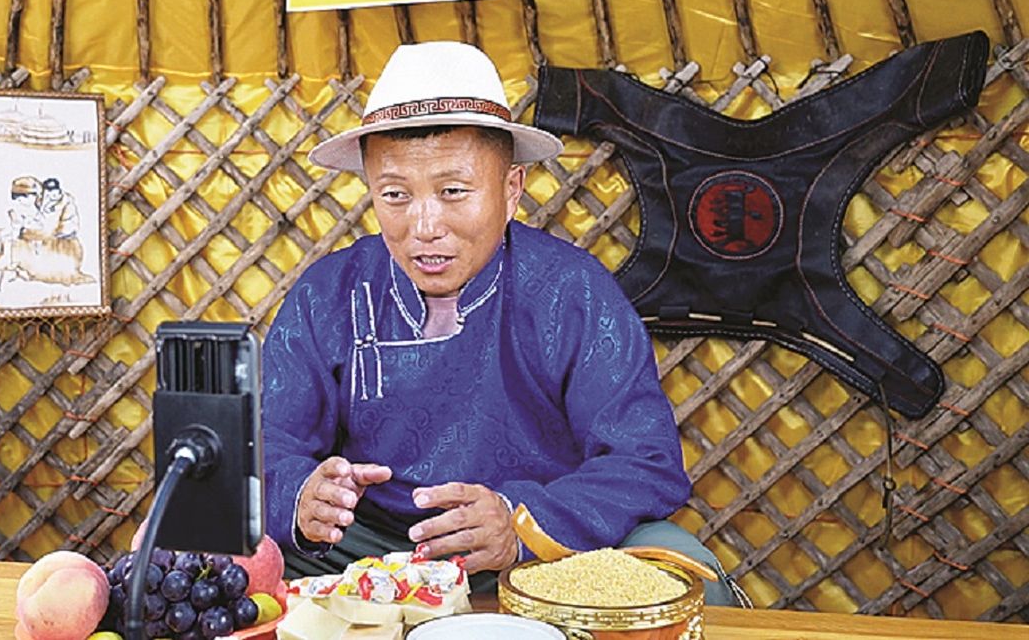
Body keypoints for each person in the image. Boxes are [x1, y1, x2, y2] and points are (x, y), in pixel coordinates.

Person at [262, 41, 745, 606]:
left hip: (543, 545)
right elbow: (266, 443)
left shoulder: (572, 290)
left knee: (684, 572)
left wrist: (520, 522)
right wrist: (300, 495)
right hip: (369, 549)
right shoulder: (329, 293)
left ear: (511, 190)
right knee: (207, 554)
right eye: (395, 195)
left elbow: (647, 462)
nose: (424, 225)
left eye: (453, 192)